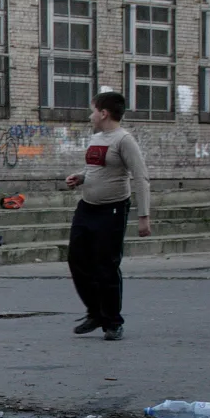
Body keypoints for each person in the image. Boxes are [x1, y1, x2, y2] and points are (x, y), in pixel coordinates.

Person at [65, 91, 151, 341]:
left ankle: (113, 321)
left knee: (106, 265)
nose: (90, 116)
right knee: (77, 260)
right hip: (87, 206)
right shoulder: (96, 138)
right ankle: (95, 312)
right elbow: (95, 169)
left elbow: (140, 177)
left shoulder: (125, 140)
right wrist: (80, 177)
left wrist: (143, 215)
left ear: (103, 113)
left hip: (112, 209)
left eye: (93, 111)